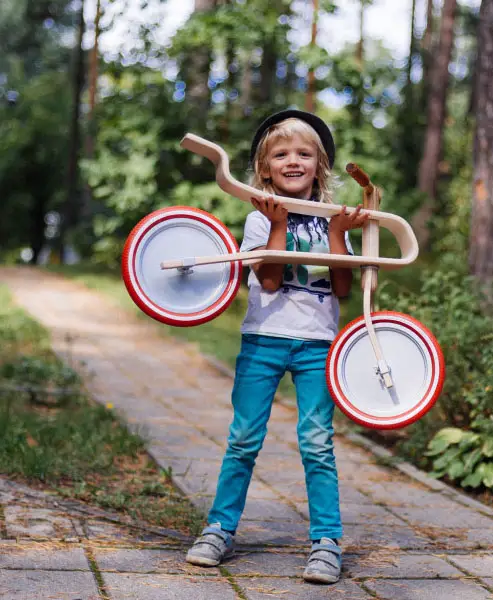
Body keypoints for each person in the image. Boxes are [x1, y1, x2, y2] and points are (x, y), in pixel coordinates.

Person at [185, 109, 367, 584]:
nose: (293, 161)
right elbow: (266, 281)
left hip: (318, 346)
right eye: (281, 154)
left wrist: (339, 235)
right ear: (265, 168)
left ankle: (326, 541)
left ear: (318, 166)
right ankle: (220, 528)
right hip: (264, 339)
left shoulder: (331, 220)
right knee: (244, 438)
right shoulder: (255, 218)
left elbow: (343, 288)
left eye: (304, 154)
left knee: (316, 443)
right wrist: (278, 224)